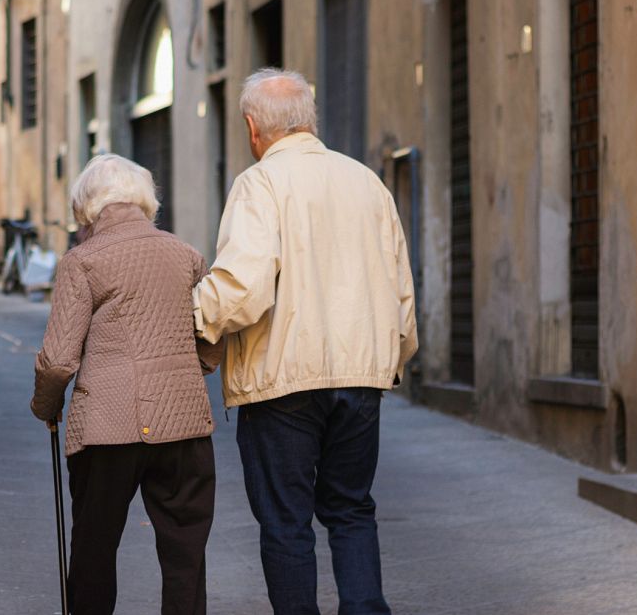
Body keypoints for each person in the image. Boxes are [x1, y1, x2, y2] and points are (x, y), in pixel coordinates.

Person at [193, 69, 419, 614]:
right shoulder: (367, 182)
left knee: (286, 522)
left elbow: (242, 289)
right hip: (360, 378)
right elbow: (401, 293)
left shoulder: (260, 184)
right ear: (309, 121)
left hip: (282, 382)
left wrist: (194, 319)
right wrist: (390, 359)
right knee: (352, 510)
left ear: (253, 128)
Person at [31, 154, 222, 615]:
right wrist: (188, 369)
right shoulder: (187, 254)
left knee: (94, 548)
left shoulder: (82, 261)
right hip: (183, 426)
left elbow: (58, 361)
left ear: (86, 208)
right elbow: (213, 331)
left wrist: (45, 405)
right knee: (186, 553)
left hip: (107, 431)